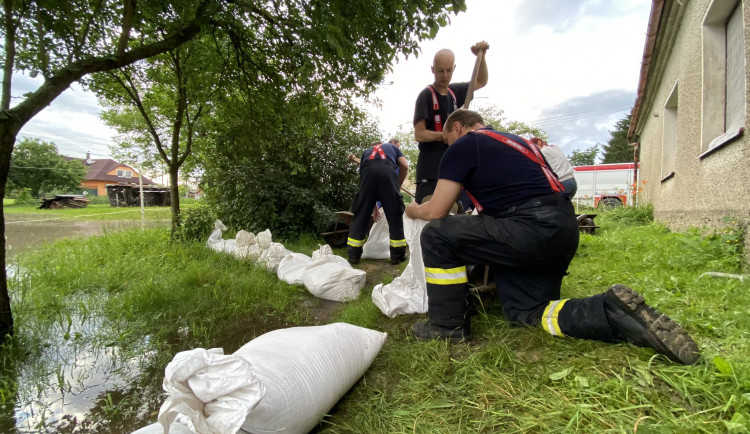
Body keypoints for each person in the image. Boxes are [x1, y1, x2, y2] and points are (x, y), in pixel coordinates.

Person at [404, 109, 699, 365]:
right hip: (562, 230)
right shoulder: (518, 143)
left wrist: (416, 210)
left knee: (436, 235)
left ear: (457, 128)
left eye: (446, 140)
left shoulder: (466, 143)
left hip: (528, 229)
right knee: (526, 313)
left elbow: (439, 211)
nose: (447, 146)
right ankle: (612, 312)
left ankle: (447, 325)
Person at [413, 41, 489, 203]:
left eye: (449, 70)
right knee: (429, 211)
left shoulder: (455, 92)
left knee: (456, 210)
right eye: (440, 71)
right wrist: (445, 135)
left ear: (454, 68)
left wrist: (481, 57)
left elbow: (481, 81)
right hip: (431, 165)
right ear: (433, 69)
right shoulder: (425, 96)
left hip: (452, 161)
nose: (445, 75)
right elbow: (419, 134)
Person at [348, 140, 409, 265]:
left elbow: (367, 182)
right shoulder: (393, 148)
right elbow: (404, 165)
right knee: (394, 215)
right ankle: (397, 256)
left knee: (361, 214)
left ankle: (354, 256)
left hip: (367, 174)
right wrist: (398, 185)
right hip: (388, 173)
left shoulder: (366, 152)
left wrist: (371, 206)